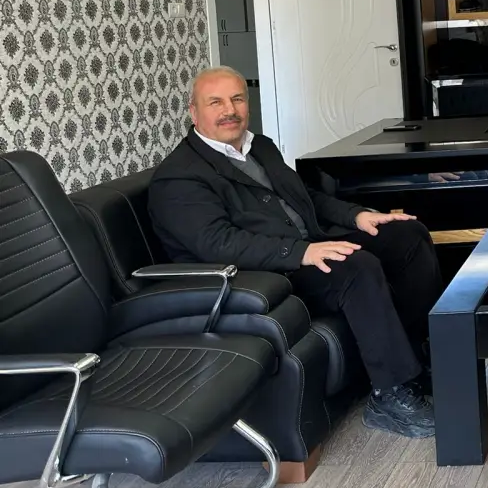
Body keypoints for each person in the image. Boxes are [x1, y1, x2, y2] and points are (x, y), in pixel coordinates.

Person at [148, 66, 442, 439]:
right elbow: (218, 243)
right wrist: (301, 251)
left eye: (237, 99)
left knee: (408, 235)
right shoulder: (180, 176)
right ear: (194, 112)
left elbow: (305, 197)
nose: (230, 110)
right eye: (215, 102)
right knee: (356, 266)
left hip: (306, 245)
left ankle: (417, 360)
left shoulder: (260, 147)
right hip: (264, 274)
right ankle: (390, 394)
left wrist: (357, 215)